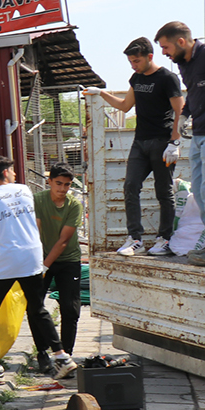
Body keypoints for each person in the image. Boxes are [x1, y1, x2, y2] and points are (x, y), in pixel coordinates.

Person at [0, 156, 75, 381]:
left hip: (7, 257)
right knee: (38, 308)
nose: (14, 173)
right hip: (32, 256)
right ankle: (61, 356)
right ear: (5, 173)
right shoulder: (24, 190)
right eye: (11, 170)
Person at [84, 37, 183, 256]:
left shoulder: (168, 78)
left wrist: (175, 142)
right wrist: (100, 93)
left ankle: (165, 239)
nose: (133, 65)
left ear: (150, 57)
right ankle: (135, 239)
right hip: (140, 142)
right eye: (131, 62)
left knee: (163, 191)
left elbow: (180, 111)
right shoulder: (136, 78)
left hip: (162, 142)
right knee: (130, 186)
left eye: (136, 61)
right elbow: (125, 105)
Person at [156, 21, 205, 265]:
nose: (164, 53)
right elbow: (193, 95)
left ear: (181, 42)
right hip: (198, 135)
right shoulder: (184, 65)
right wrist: (185, 116)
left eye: (165, 47)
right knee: (199, 192)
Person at [35, 164, 83, 373]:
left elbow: (64, 240)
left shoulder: (74, 205)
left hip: (68, 260)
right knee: (35, 306)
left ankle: (66, 355)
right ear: (49, 182)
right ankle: (42, 353)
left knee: (70, 309)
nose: (63, 189)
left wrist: (46, 266)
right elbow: (35, 232)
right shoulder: (38, 200)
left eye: (67, 185)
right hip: (41, 258)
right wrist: (40, 263)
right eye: (58, 184)